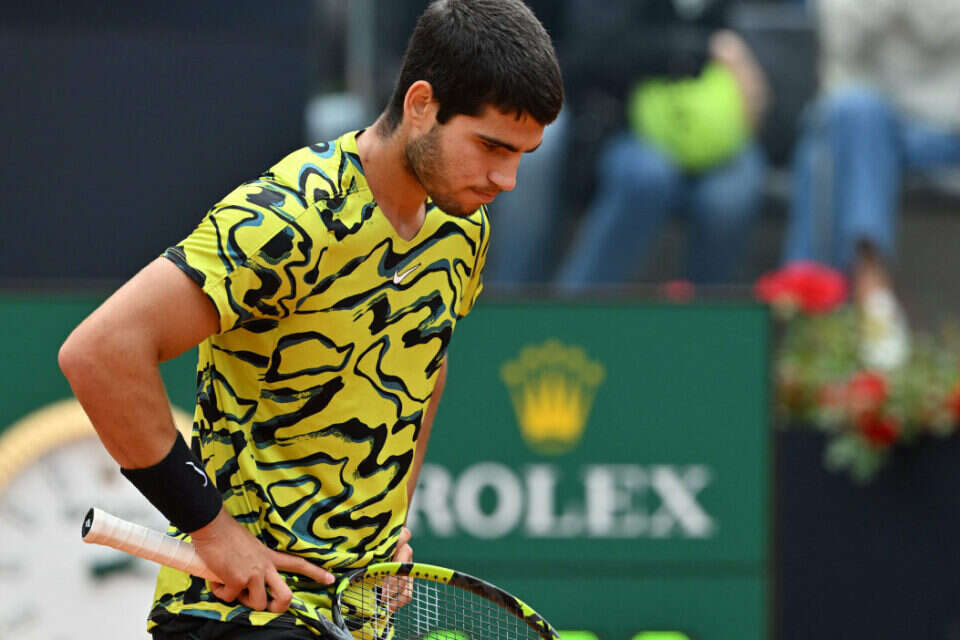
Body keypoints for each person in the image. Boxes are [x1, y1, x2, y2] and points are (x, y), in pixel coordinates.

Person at [57, 1, 563, 637]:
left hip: (352, 611)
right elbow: (101, 352)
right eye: (491, 146)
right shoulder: (292, 216)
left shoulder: (462, 230)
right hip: (238, 615)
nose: (506, 179)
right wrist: (213, 530)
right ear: (421, 104)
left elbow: (422, 361)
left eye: (523, 155)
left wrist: (390, 524)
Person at [783, 0, 960, 370]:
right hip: (869, 125)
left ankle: (809, 319)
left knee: (824, 150)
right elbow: (839, 28)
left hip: (949, 124)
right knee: (841, 127)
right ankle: (868, 293)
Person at [555, 0, 770, 290]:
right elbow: (592, 55)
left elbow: (764, 78)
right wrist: (700, 49)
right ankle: (578, 302)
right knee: (646, 177)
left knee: (730, 196)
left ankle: (704, 311)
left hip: (720, 144)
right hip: (628, 130)